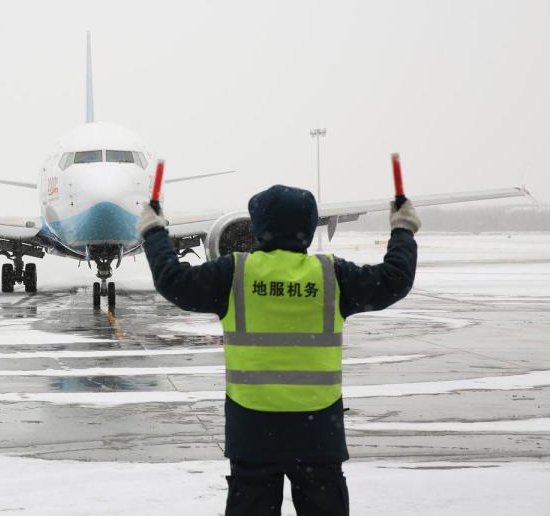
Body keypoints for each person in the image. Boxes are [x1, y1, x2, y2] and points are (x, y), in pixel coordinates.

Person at [137, 184, 420, 515]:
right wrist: (402, 230)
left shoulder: (235, 273)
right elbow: (395, 279)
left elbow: (172, 280)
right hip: (318, 432)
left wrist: (155, 232)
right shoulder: (332, 275)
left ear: (258, 226)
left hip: (253, 431)